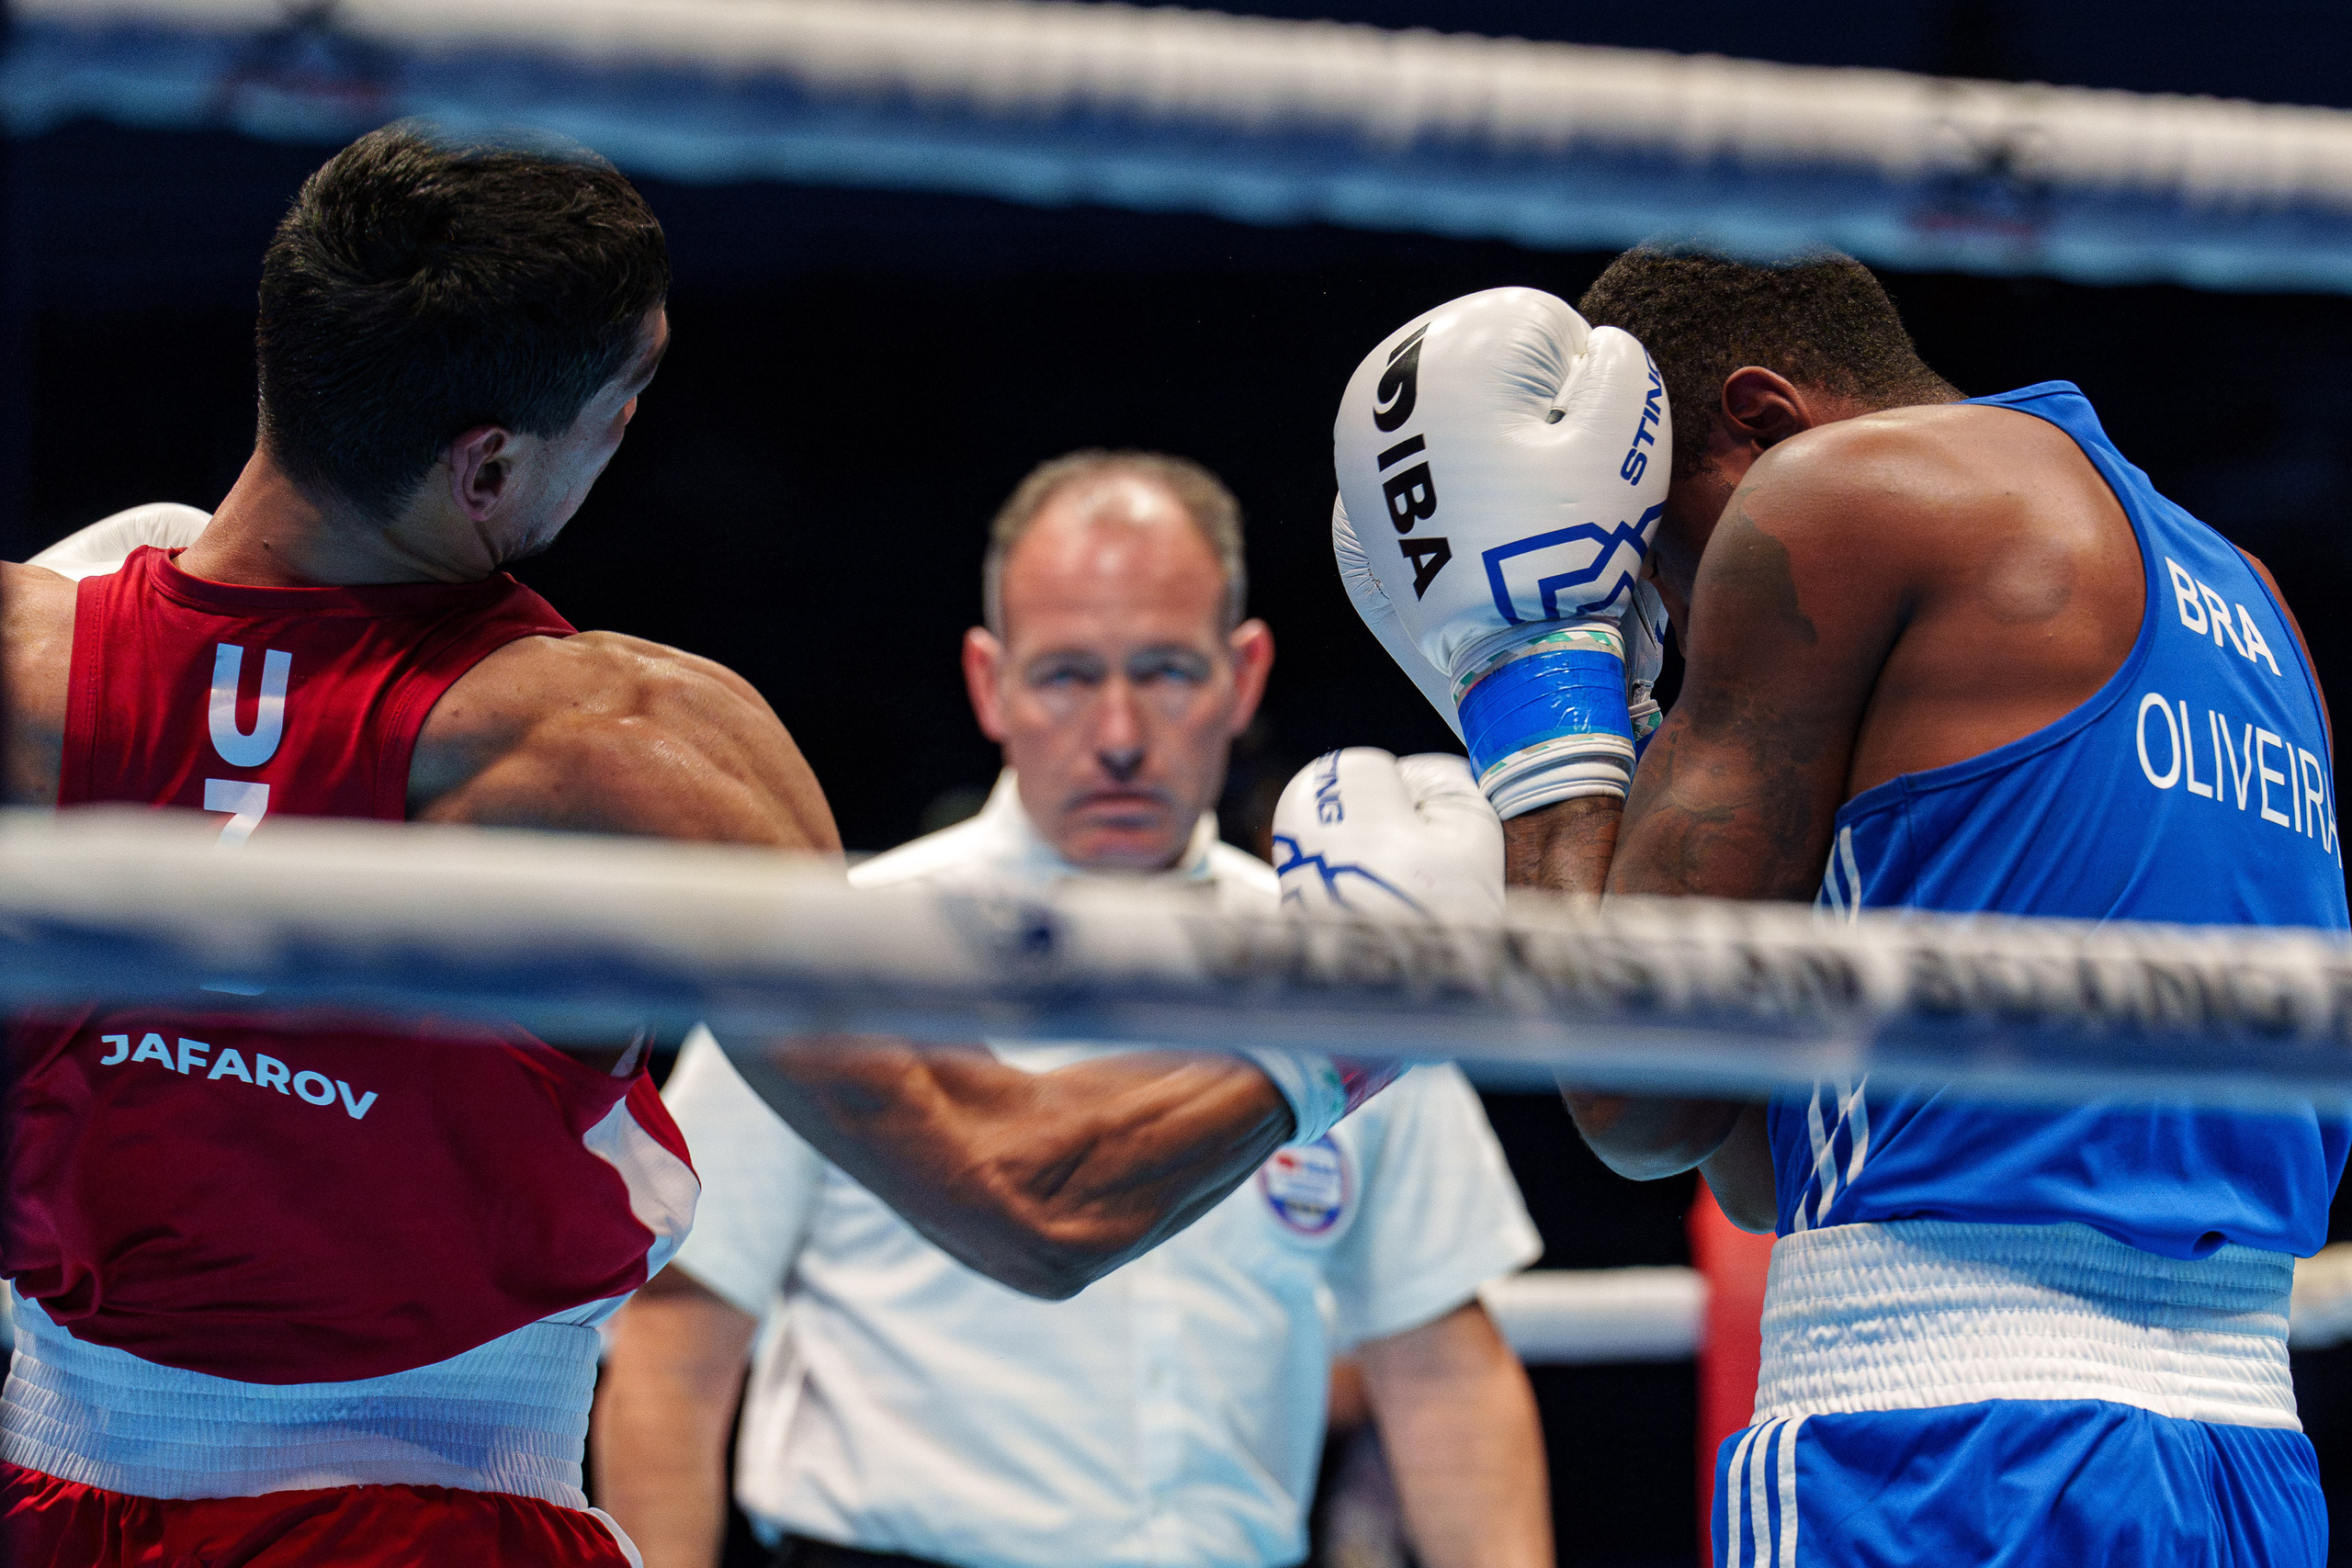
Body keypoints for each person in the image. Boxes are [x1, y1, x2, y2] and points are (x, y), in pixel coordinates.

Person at [0, 126, 1360, 1568]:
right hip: (430, 1530)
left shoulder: (33, 659)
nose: (632, 435)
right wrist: (1357, 1008)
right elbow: (1028, 1191)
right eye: (624, 400)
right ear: (486, 464)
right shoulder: (628, 752)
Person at [1332, 251, 2345, 1565]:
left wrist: (1532, 678)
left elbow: (1638, 1100)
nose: (1677, 638)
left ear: (1761, 423)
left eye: (1659, 568)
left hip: (1938, 1449)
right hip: (2245, 1464)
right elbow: (1767, 1170)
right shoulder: (2251, 599)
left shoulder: (1829, 497)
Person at [593, 452, 1551, 1568]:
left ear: (1243, 678)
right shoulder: (849, 943)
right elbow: (675, 1343)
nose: (1118, 735)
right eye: (1065, 677)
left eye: (1164, 671)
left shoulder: (1336, 951)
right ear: (987, 682)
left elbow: (1438, 1359)